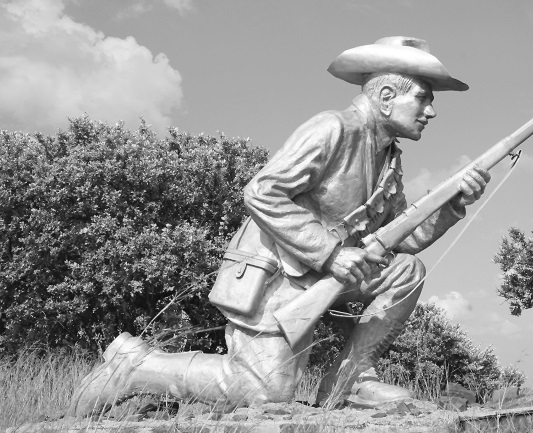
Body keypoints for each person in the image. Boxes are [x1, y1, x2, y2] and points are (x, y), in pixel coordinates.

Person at [69, 36, 490, 416]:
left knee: (405, 270)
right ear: (385, 97)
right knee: (263, 392)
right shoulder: (333, 128)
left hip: (328, 274)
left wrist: (452, 205)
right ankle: (136, 367)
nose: (431, 111)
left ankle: (349, 381)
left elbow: (399, 238)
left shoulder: (389, 157)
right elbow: (262, 192)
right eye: (422, 98)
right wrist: (330, 253)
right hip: (276, 276)